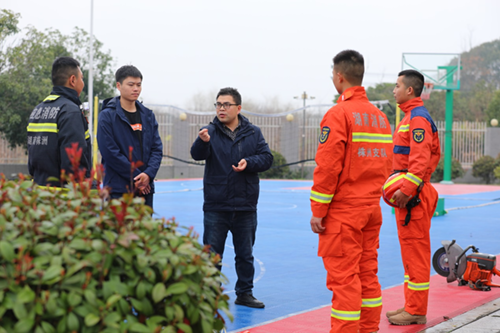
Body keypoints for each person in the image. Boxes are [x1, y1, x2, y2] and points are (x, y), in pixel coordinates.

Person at [309, 50, 393, 333]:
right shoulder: (380, 118)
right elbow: (387, 164)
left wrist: (318, 211)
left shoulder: (338, 114)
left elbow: (327, 167)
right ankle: (368, 329)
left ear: (339, 76)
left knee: (344, 281)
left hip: (344, 213)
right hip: (371, 209)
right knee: (367, 275)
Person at [190, 87, 273, 308]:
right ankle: (210, 294)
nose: (221, 108)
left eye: (226, 104)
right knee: (212, 255)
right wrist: (202, 142)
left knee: (245, 255)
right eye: (218, 104)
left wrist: (249, 162)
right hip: (216, 204)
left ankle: (244, 293)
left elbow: (266, 158)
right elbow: (197, 155)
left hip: (245, 205)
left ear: (238, 107)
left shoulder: (253, 132)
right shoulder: (208, 131)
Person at [386, 69, 440, 326]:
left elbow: (419, 161)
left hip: (414, 197)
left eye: (397, 86)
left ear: (409, 90)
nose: (393, 90)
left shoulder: (417, 119)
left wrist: (406, 192)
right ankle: (411, 305)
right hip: (412, 196)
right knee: (409, 254)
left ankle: (416, 310)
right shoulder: (410, 117)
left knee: (416, 255)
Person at [97, 65, 163, 208]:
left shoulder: (148, 116)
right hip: (118, 190)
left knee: (144, 230)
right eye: (131, 84)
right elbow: (110, 152)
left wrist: (148, 175)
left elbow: (156, 149)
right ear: (119, 86)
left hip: (145, 190)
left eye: (139, 85)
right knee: (116, 229)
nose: (136, 89)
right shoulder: (107, 116)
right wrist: (138, 178)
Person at [27, 56, 91, 187]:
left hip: (38, 191)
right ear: (73, 80)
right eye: (82, 78)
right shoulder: (70, 111)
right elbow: (73, 165)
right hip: (63, 197)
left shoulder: (38, 109)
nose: (83, 83)